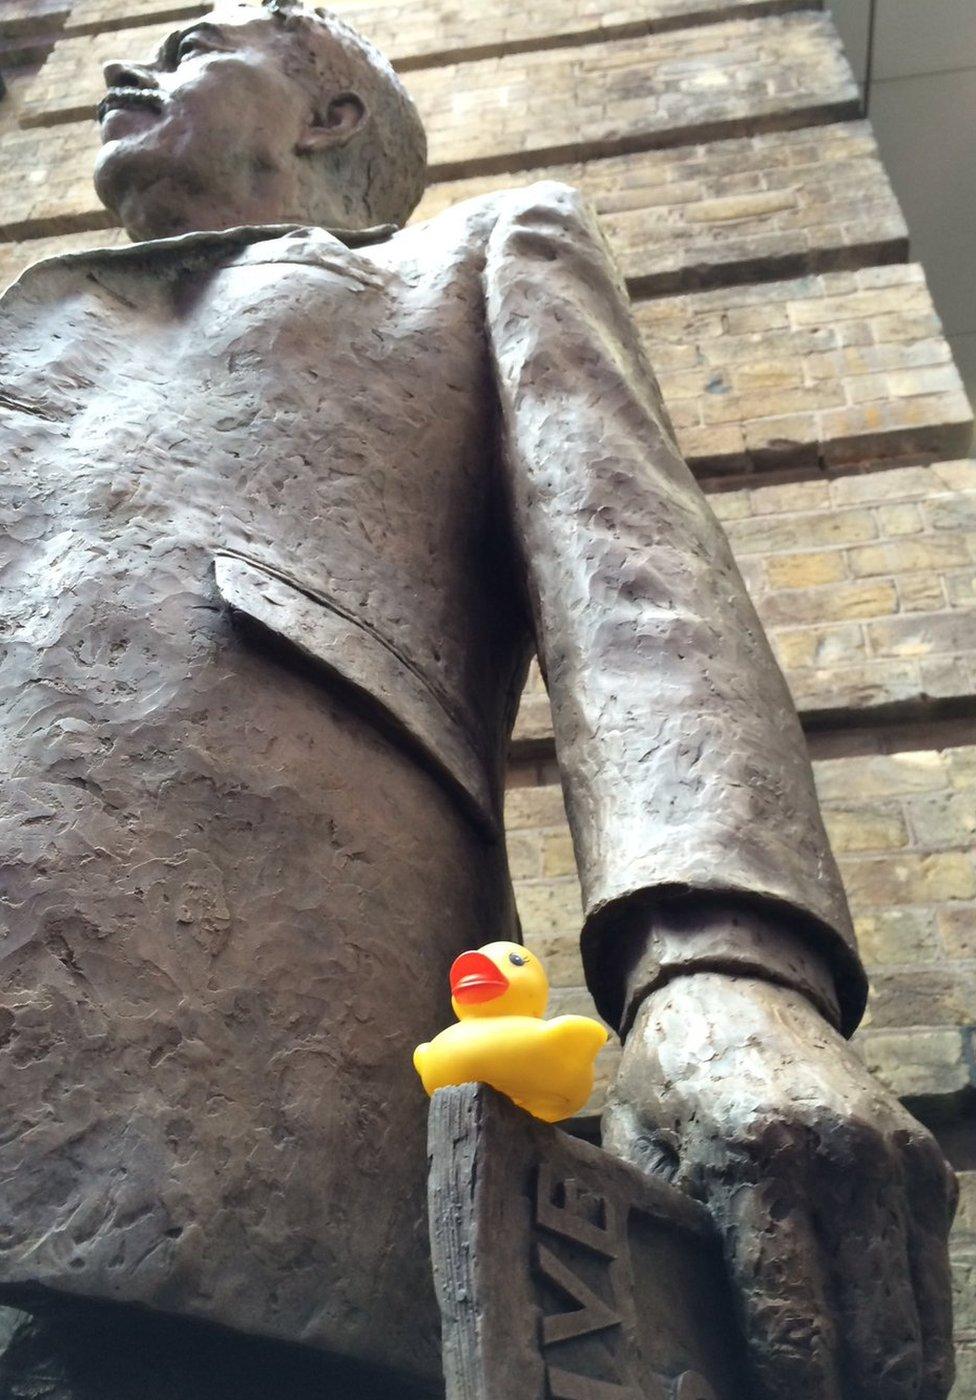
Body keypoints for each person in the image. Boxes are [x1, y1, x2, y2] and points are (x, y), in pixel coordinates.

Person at [0, 3, 956, 1397]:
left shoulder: (481, 255)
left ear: (329, 117)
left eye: (197, 46)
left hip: (245, 1066)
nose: (126, 66)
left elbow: (634, 582)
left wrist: (724, 965)